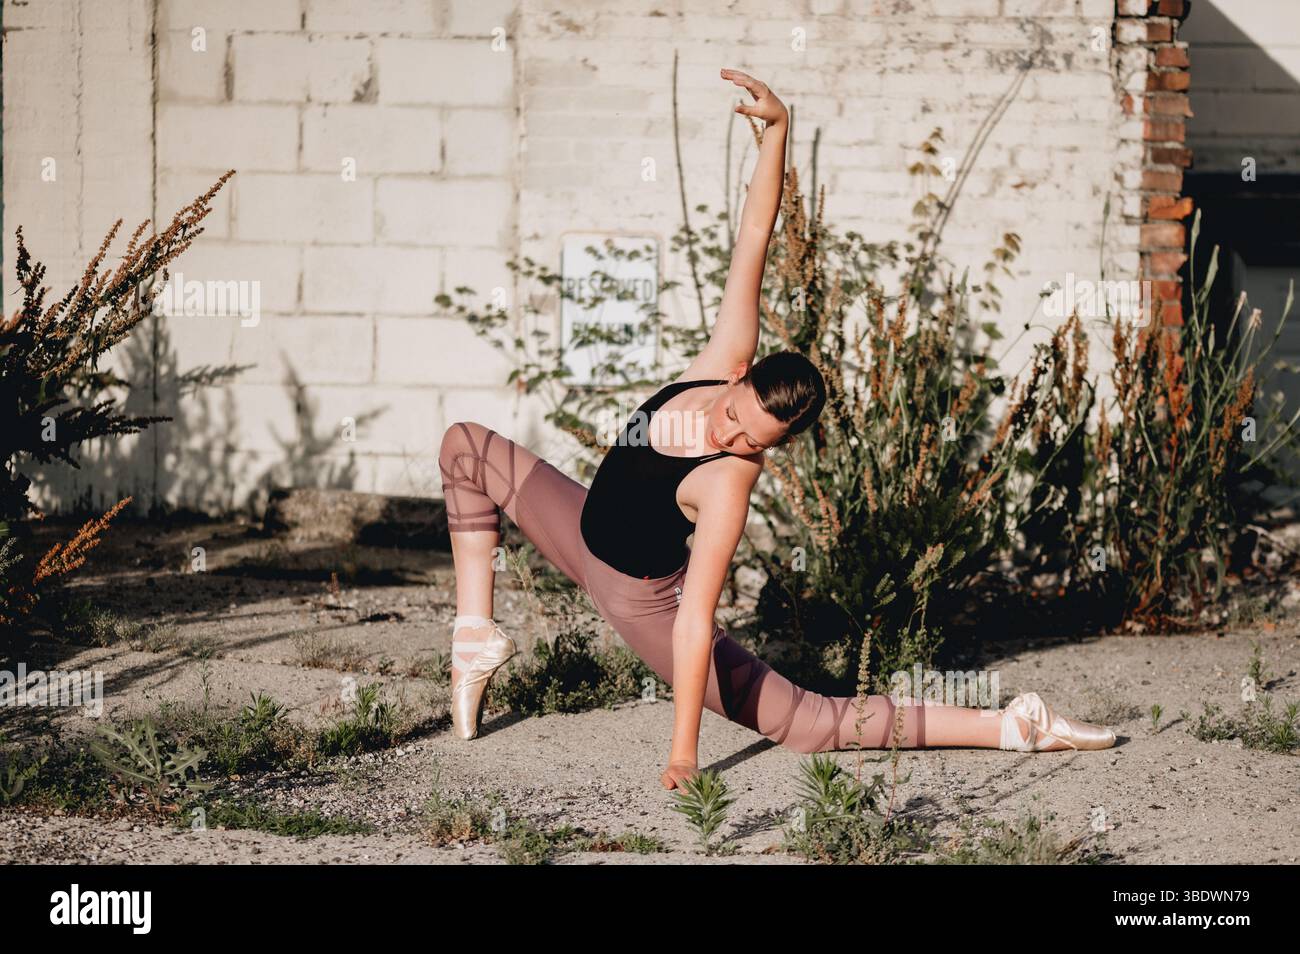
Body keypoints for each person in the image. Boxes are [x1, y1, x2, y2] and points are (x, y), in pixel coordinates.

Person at [437, 69, 1116, 792]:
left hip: (645, 605)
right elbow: (754, 237)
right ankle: (477, 637)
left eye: (755, 443)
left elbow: (695, 619)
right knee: (464, 447)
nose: (733, 439)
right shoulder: (718, 362)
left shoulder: (729, 483)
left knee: (811, 726)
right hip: (579, 535)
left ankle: (1014, 725)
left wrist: (683, 752)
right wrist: (778, 133)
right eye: (734, 418)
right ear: (738, 376)